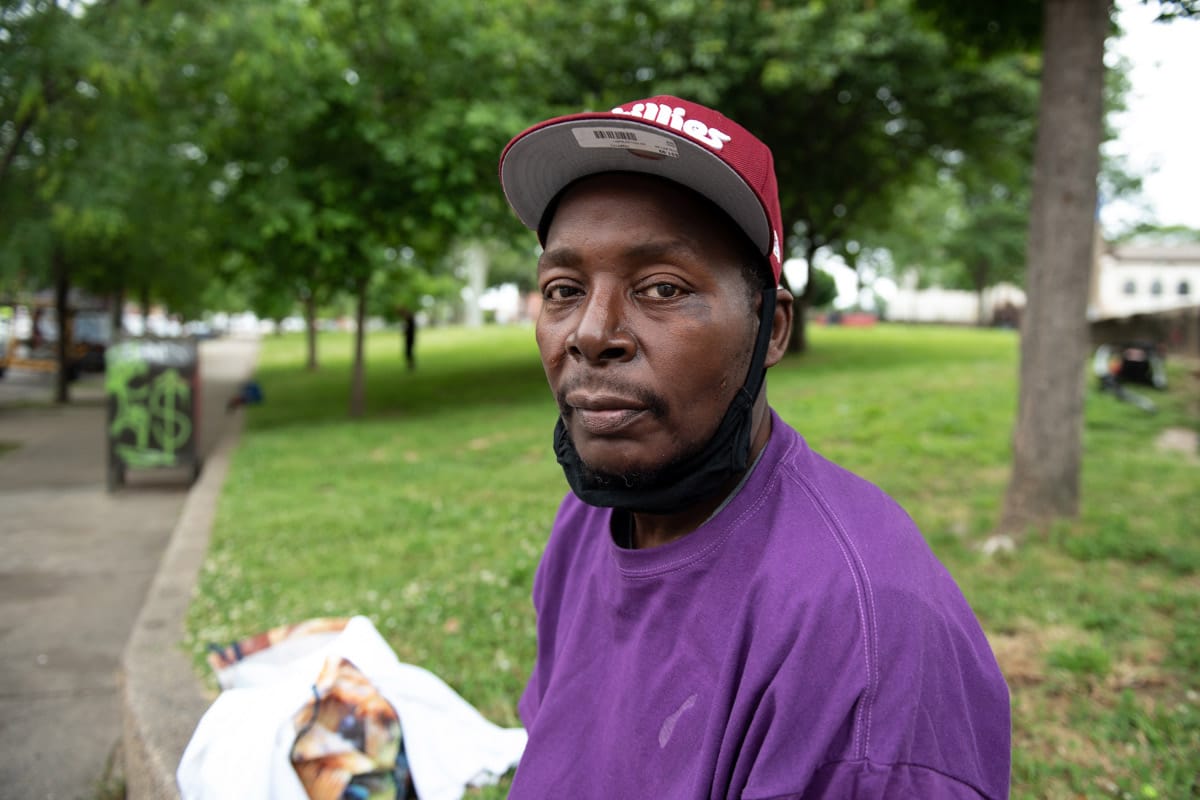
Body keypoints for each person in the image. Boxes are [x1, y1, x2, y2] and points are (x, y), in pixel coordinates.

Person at [498, 96, 1010, 799]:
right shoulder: (587, 520)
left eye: (661, 288)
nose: (591, 332)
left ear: (772, 330)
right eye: (563, 289)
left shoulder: (864, 640)